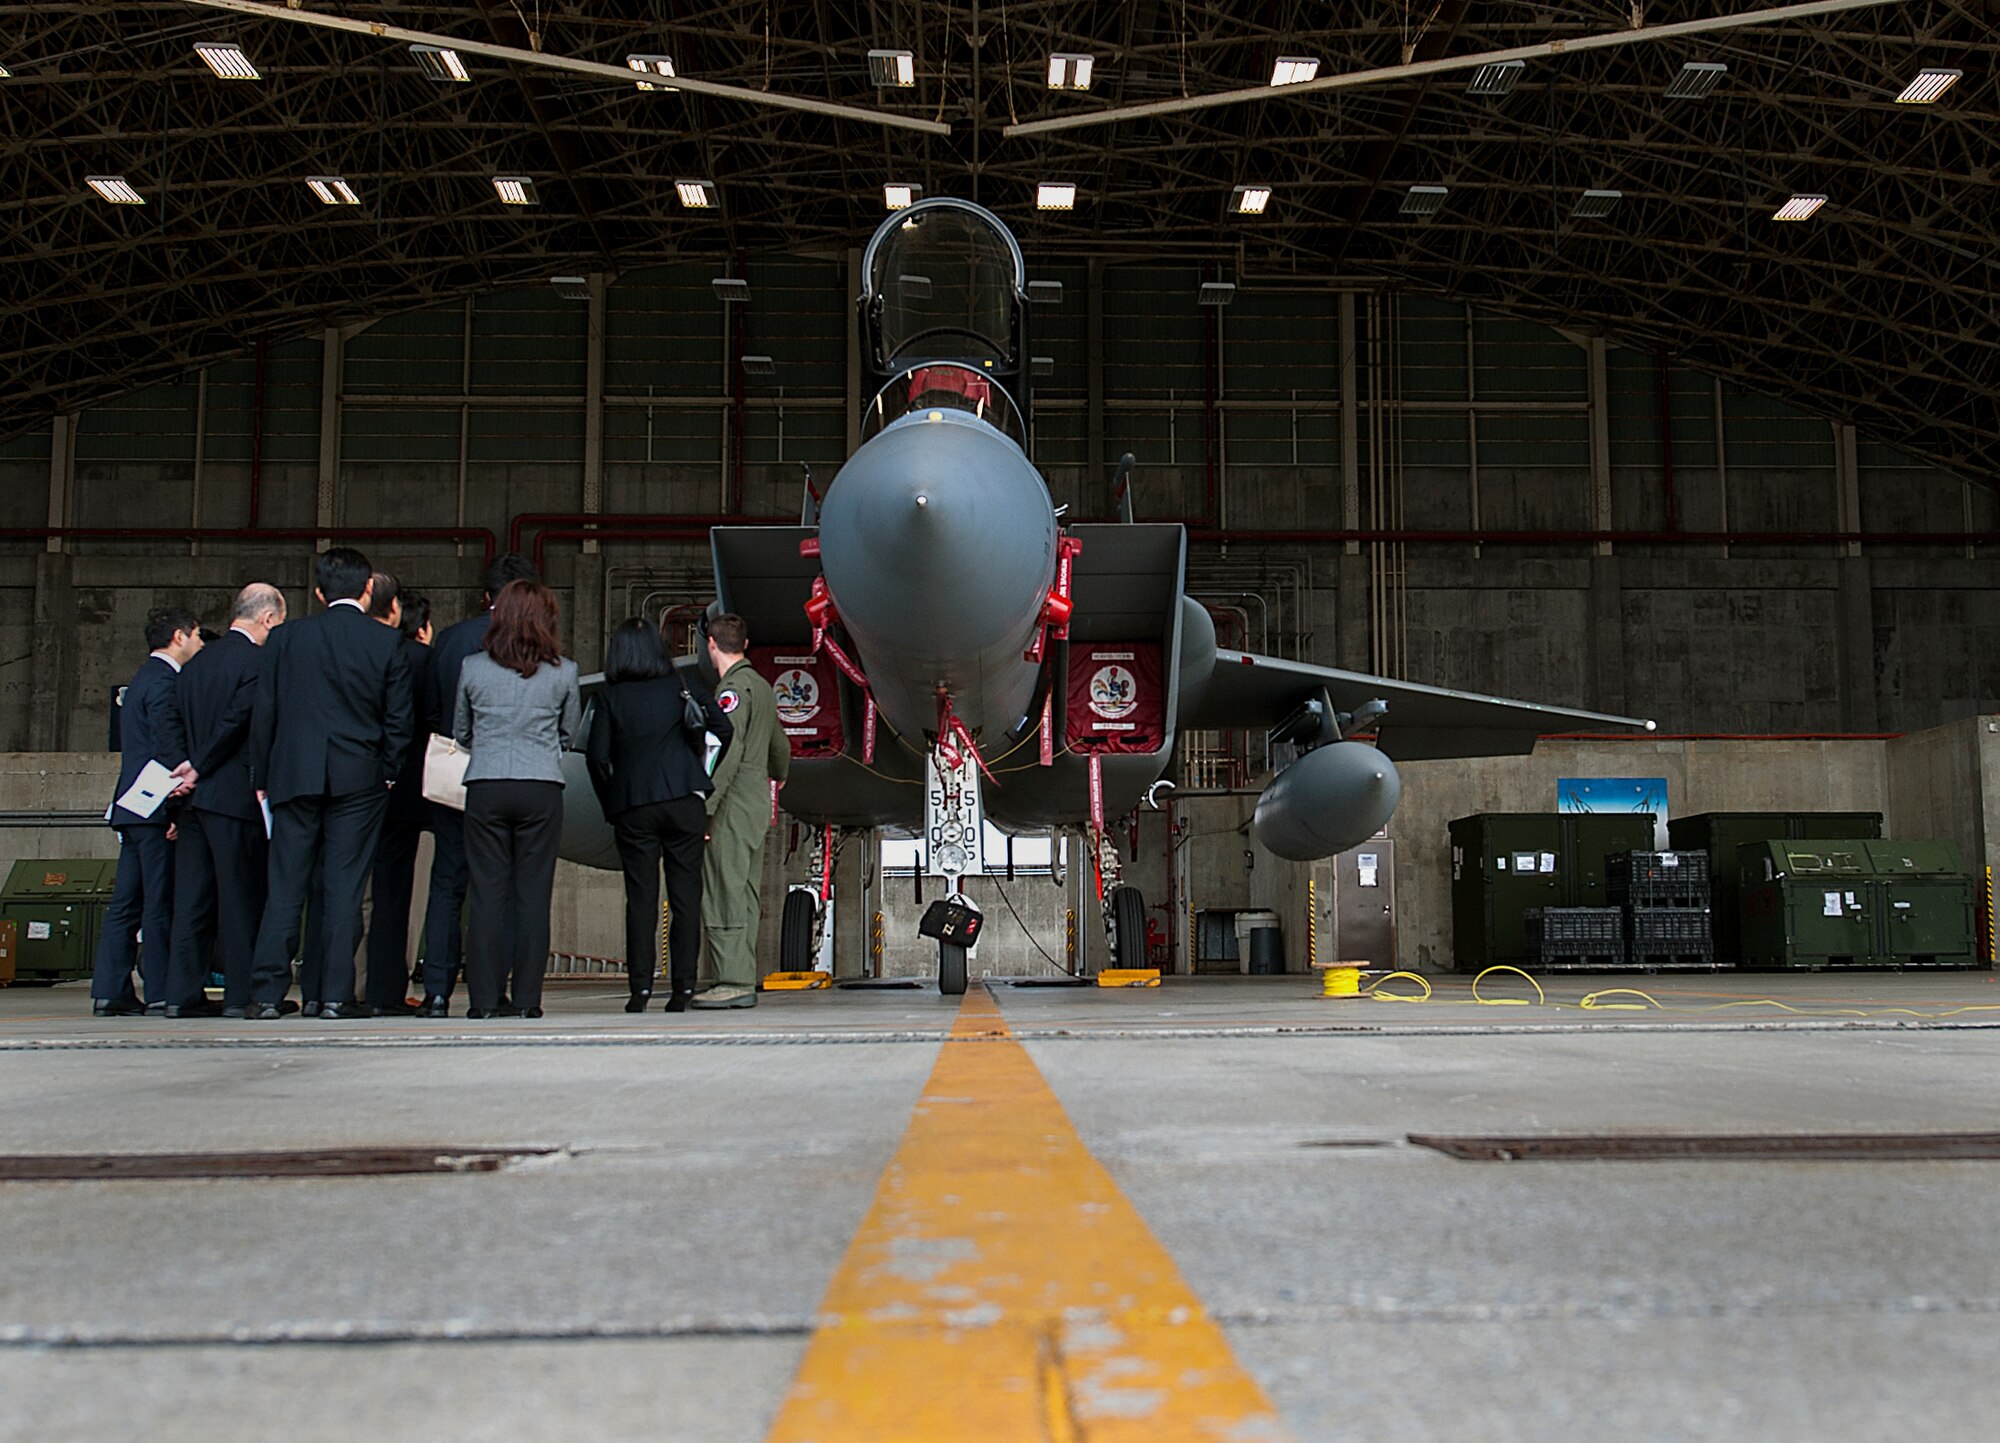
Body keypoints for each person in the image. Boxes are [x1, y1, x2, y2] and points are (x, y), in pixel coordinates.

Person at [245, 547, 413, 1021]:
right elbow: (398, 721)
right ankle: (336, 996)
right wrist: (387, 771)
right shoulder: (386, 643)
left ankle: (267, 995)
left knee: (285, 887)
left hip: (293, 774)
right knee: (344, 887)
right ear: (366, 591)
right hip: (359, 779)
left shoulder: (285, 638)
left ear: (318, 592)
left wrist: (262, 774)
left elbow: (266, 713)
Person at [586, 617, 732, 1013]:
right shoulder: (682, 687)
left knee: (641, 900)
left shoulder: (609, 697)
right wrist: (701, 774)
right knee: (686, 897)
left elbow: (598, 759)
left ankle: (640, 991)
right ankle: (682, 989)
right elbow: (723, 726)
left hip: (634, 806)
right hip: (684, 801)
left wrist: (613, 802)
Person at [454, 580, 580, 1019]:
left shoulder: (472, 668)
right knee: (532, 895)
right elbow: (569, 732)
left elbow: (462, 732)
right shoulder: (565, 671)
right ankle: (528, 999)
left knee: (487, 895)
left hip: (486, 783)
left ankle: (483, 1001)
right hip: (541, 785)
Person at [419, 552, 539, 1011]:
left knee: (447, 883)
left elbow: (433, 711)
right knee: (501, 887)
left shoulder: (450, 641)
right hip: (516, 776)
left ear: (485, 596)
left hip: (455, 774)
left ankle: (435, 989)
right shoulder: (536, 645)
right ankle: (493, 989)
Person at [162, 583, 287, 1019]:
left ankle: (180, 995)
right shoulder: (258, 662)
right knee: (240, 900)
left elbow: (173, 720)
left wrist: (184, 770)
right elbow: (237, 722)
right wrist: (200, 764)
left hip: (193, 802)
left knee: (192, 902)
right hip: (233, 798)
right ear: (267, 618)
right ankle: (239, 995)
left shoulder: (196, 663)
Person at [90, 607, 203, 1016]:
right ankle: (159, 988)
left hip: (129, 806)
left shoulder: (139, 680)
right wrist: (177, 799)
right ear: (179, 636)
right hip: (154, 806)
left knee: (125, 903)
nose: (200, 644)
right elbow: (166, 740)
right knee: (159, 901)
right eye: (196, 636)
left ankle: (109, 990)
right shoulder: (167, 682)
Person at [696, 614, 791, 1009]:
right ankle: (743, 973)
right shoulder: (764, 688)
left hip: (731, 803)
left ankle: (732, 980)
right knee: (747, 892)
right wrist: (778, 776)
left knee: (723, 890)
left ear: (711, 645)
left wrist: (706, 805)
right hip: (755, 801)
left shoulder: (731, 692)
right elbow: (780, 746)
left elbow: (725, 753)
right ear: (746, 645)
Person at [365, 590, 435, 1014]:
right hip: (412, 793)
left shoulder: (367, 656)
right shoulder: (424, 662)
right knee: (402, 899)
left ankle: (349, 984)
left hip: (359, 790)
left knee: (357, 894)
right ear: (422, 628)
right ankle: (390, 987)